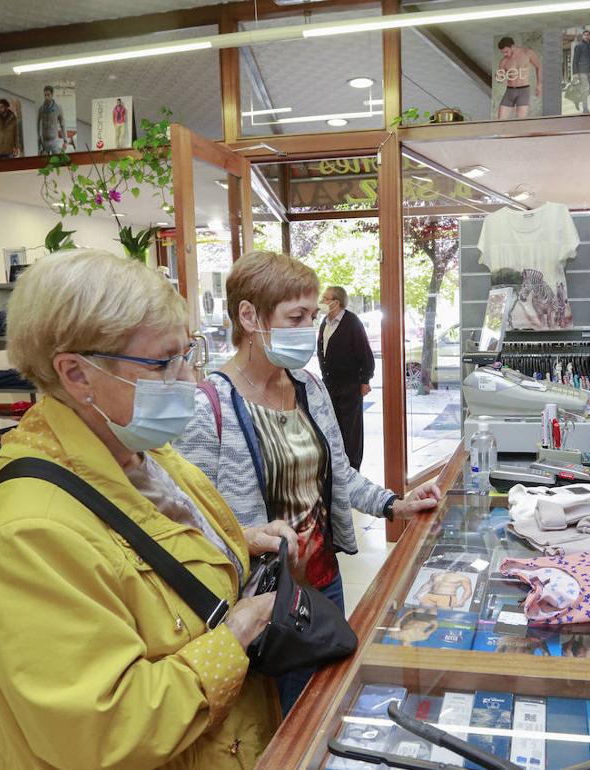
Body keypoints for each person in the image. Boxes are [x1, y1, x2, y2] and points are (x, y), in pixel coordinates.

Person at [0, 249, 298, 769]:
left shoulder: (139, 450)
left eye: (187, 354)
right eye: (164, 362)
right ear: (77, 374)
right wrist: (237, 634)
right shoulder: (30, 533)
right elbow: (102, 728)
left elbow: (148, 546)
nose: (190, 380)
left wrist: (238, 539)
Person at [176, 250, 443, 715]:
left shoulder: (308, 388)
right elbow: (187, 522)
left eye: (311, 316)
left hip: (323, 584)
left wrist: (394, 504)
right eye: (295, 317)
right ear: (249, 316)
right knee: (281, 723)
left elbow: (339, 473)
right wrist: (247, 538)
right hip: (261, 603)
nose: (307, 328)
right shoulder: (208, 406)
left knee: (323, 708)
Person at [317, 285, 375, 470]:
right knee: (335, 429)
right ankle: (339, 469)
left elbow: (365, 354)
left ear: (337, 302)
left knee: (351, 431)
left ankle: (353, 469)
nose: (322, 302)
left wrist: (365, 380)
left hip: (349, 385)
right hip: (330, 385)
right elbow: (322, 352)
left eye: (326, 298)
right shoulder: (325, 322)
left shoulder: (352, 322)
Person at [495, 36, 542, 119]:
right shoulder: (503, 61)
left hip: (523, 91)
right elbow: (500, 79)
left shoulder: (528, 53)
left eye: (506, 51)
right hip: (509, 91)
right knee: (500, 121)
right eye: (503, 53)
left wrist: (539, 85)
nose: (505, 54)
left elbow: (539, 67)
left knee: (520, 122)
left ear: (512, 47)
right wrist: (498, 77)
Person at [571, 29, 590, 113]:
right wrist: (575, 73)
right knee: (585, 89)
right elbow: (575, 60)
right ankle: (585, 109)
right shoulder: (578, 46)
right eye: (585, 35)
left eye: (588, 35)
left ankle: (578, 99)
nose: (586, 36)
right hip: (582, 71)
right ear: (582, 36)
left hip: (589, 70)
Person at [37, 85, 66, 154]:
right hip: (44, 141)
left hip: (54, 141)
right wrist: (39, 138)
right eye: (45, 95)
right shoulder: (41, 109)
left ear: (52, 95)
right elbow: (38, 124)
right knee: (44, 160)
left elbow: (62, 124)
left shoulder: (58, 108)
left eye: (48, 95)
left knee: (56, 159)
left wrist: (65, 140)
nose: (46, 97)